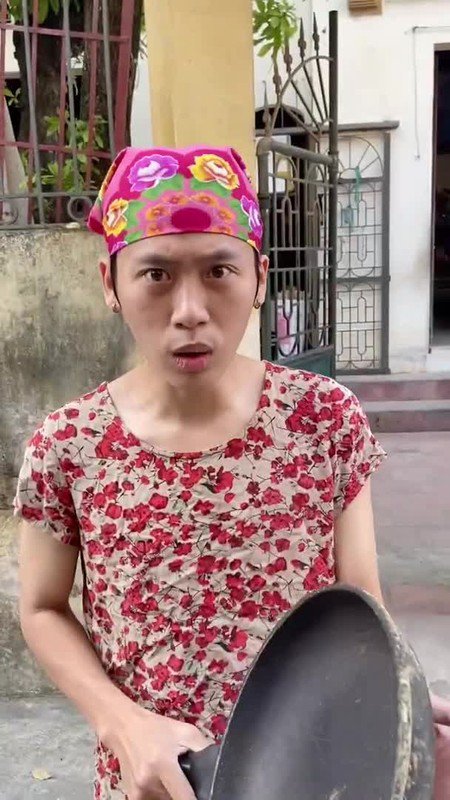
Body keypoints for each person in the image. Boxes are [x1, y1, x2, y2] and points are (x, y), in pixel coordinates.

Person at [14, 145, 447, 800]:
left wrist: (399, 699)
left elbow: (360, 597)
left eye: (219, 271)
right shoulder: (69, 444)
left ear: (260, 278)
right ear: (110, 284)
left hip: (308, 774)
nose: (190, 309)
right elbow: (42, 608)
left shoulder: (323, 419)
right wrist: (122, 725)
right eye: (156, 274)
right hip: (153, 782)